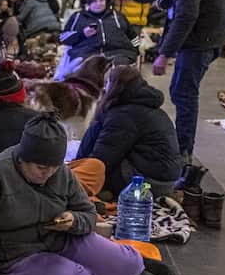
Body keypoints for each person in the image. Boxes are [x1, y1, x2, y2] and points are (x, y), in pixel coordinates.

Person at [0, 114, 170, 275]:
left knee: (126, 265)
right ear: (23, 158)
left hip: (66, 239)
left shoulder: (60, 172)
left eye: (54, 167)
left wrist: (73, 220)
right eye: (42, 167)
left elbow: (89, 215)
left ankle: (128, 268)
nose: (49, 173)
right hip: (19, 255)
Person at [141, 0, 225, 159]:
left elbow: (186, 14)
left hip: (201, 37)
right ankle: (182, 145)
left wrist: (164, 53)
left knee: (183, 93)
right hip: (202, 35)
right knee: (181, 91)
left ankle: (183, 151)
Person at [77, 65, 182, 198]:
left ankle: (107, 193)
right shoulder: (145, 107)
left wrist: (80, 174)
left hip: (147, 185)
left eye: (107, 83)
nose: (104, 88)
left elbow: (102, 160)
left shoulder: (124, 115)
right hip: (163, 182)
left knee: (92, 174)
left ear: (115, 86)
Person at [54, 0, 134, 78]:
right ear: (88, 2)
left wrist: (136, 50)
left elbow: (133, 36)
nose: (98, 4)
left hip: (117, 53)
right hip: (86, 54)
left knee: (118, 72)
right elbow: (63, 37)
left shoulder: (118, 16)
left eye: (101, 0)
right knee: (86, 70)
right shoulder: (78, 17)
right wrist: (82, 34)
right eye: (94, 1)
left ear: (106, 1)